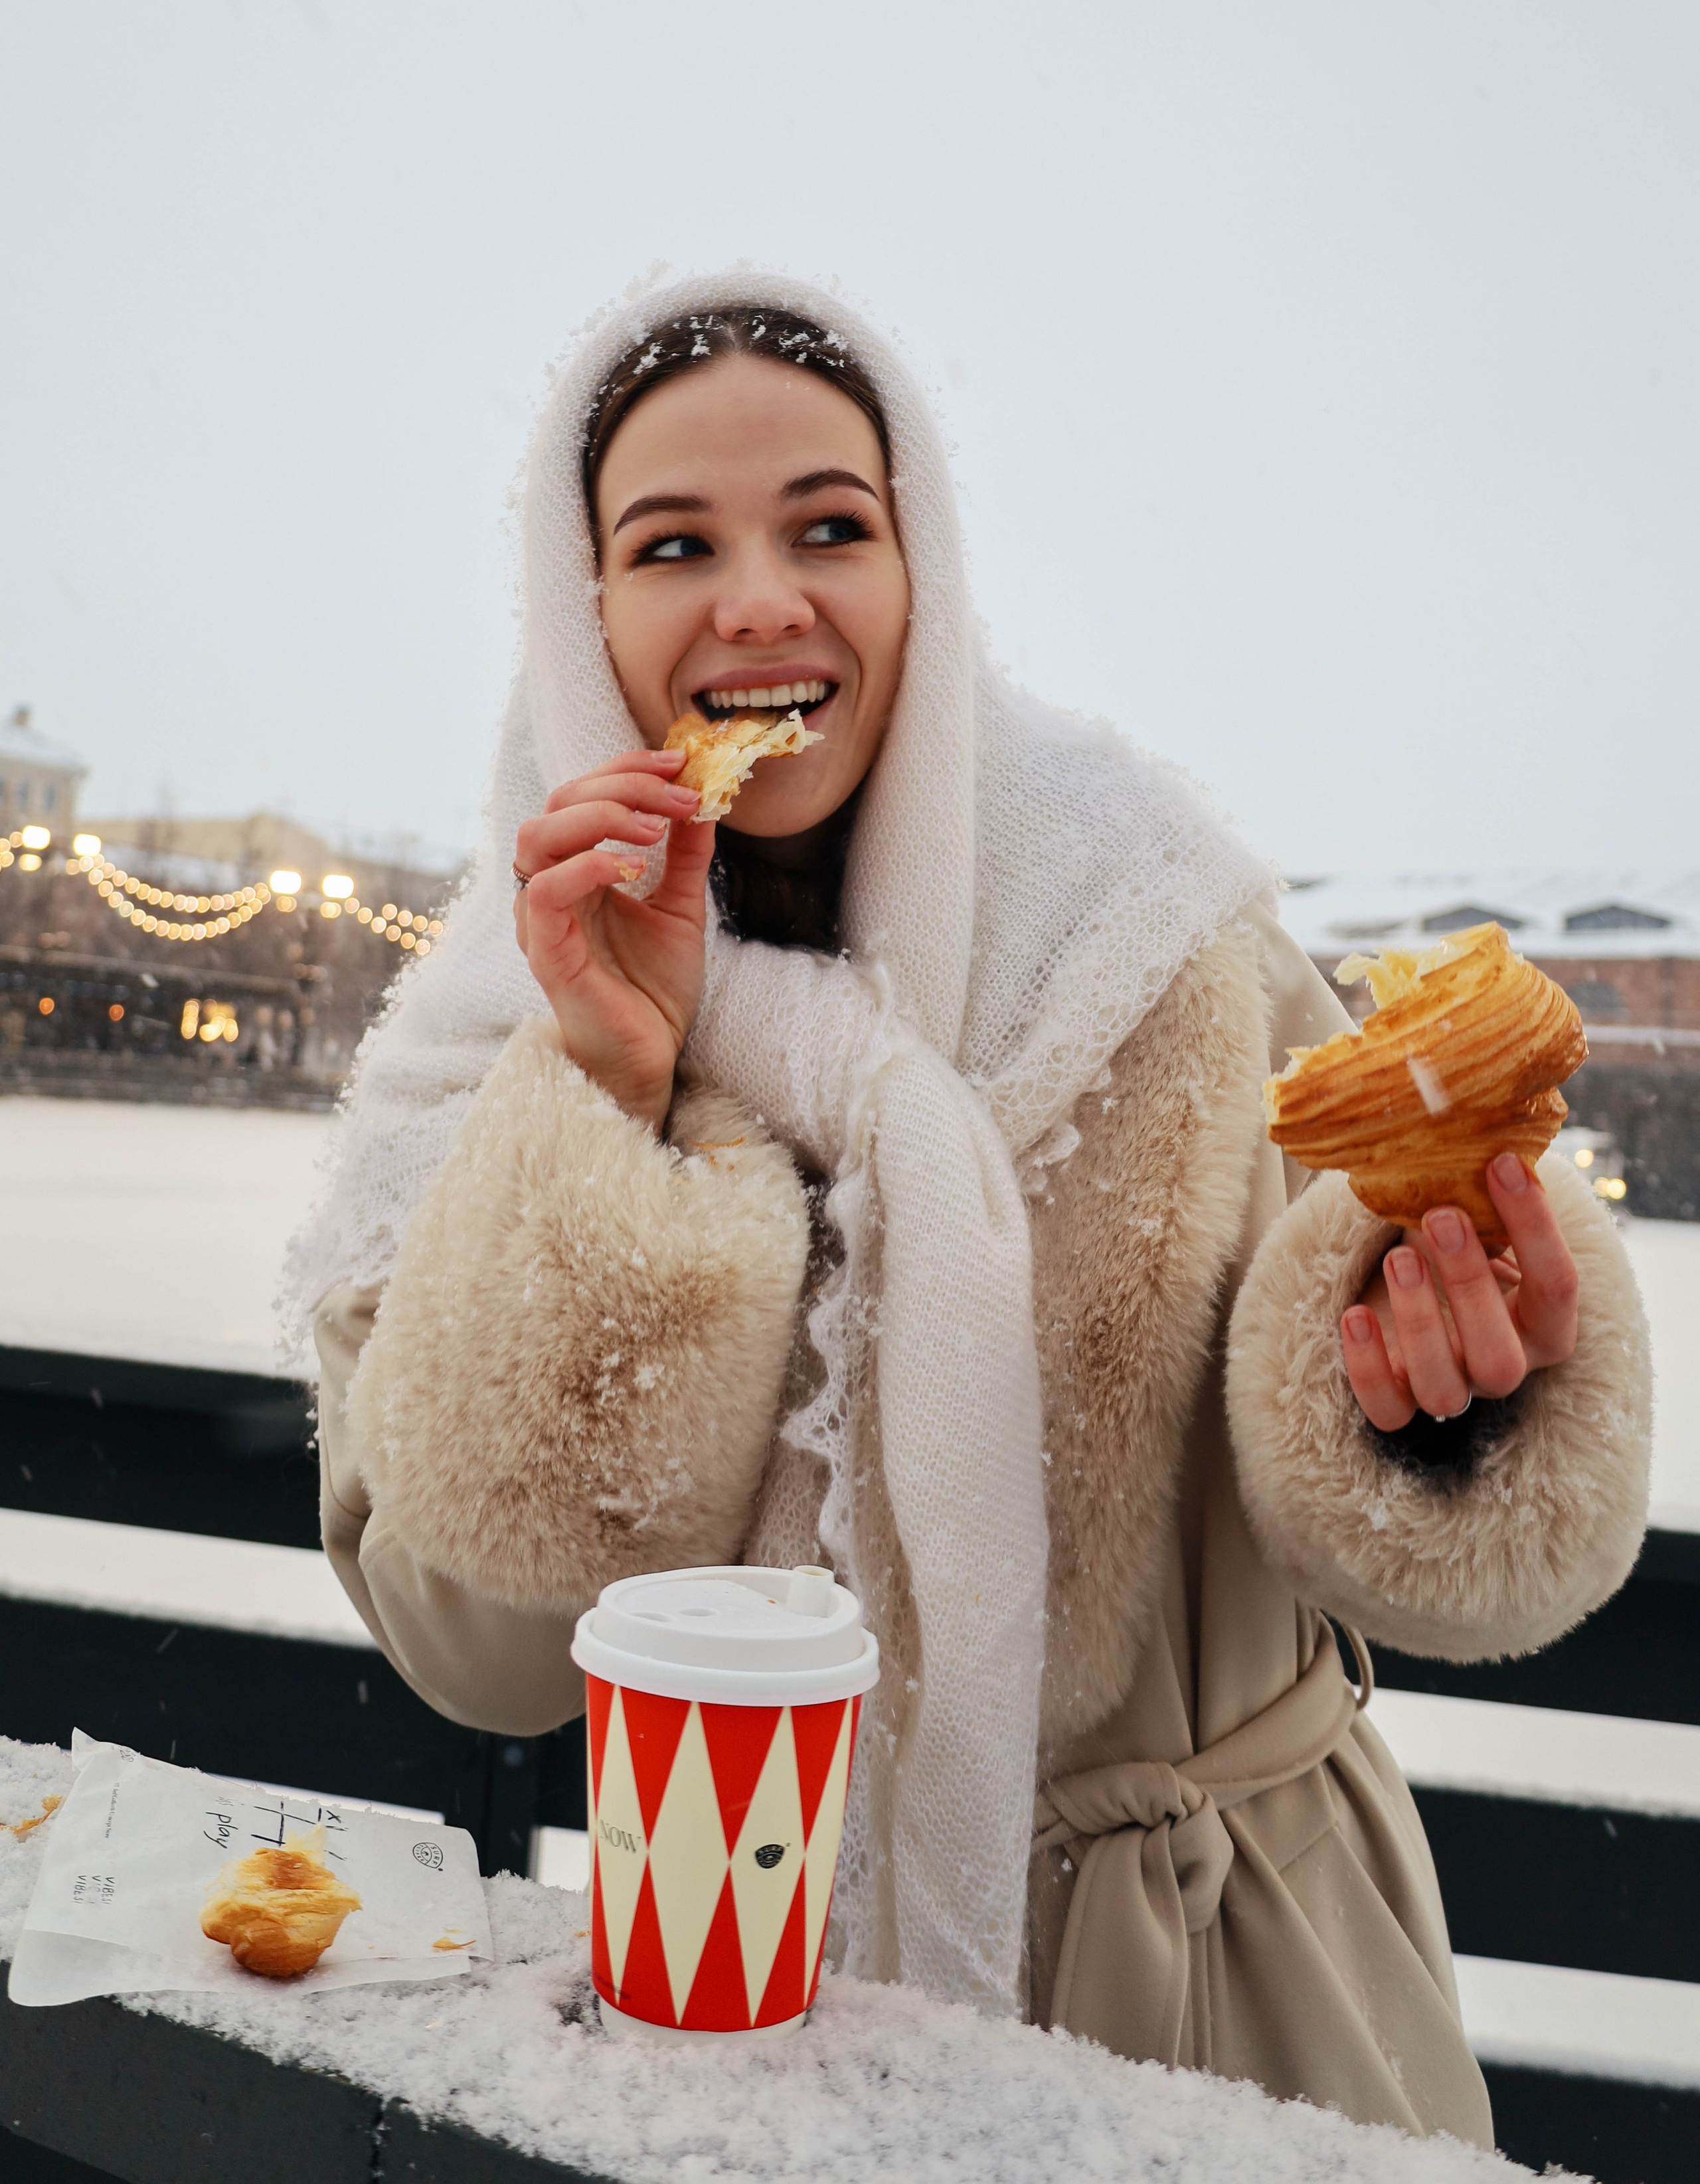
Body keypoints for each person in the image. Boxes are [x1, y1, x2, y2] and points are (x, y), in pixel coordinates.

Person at [290, 274, 1650, 2143]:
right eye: (674, 542)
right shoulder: (486, 1032)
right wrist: (609, 1085)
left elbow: (1411, 1547)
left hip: (1220, 2013)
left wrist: (1453, 1403)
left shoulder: (1158, 949)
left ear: (921, 571)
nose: (762, 595)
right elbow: (488, 1650)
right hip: (742, 2041)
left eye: (832, 526)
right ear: (581, 611)